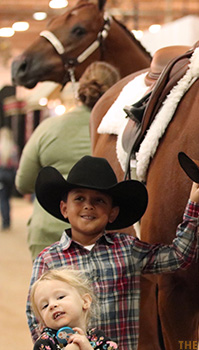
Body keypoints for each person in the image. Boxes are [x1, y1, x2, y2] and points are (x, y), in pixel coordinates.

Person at [25, 155, 199, 350]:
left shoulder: (126, 249)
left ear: (112, 213)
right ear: (64, 209)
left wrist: (193, 205)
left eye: (99, 200)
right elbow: (33, 312)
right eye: (79, 199)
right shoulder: (48, 259)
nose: (88, 206)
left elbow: (177, 257)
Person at [16, 61, 120, 260]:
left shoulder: (48, 128)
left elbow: (24, 183)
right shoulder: (117, 131)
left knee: (50, 290)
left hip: (47, 232)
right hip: (102, 233)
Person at [29, 268, 121, 350]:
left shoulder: (106, 345)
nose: (52, 305)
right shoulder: (45, 345)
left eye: (60, 297)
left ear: (85, 301)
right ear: (42, 320)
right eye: (44, 305)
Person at [0, 126, 19, 230]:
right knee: (8, 198)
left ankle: (5, 221)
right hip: (10, 174)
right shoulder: (13, 148)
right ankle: (8, 220)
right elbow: (16, 163)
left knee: (2, 199)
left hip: (1, 174)